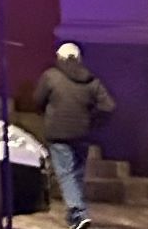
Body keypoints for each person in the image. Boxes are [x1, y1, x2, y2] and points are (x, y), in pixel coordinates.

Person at [35, 40, 116, 229]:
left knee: (66, 175)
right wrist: (93, 121)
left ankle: (79, 213)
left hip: (58, 132)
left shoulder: (51, 77)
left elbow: (38, 99)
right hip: (82, 133)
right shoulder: (91, 80)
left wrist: (46, 112)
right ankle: (75, 219)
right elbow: (109, 106)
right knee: (77, 174)